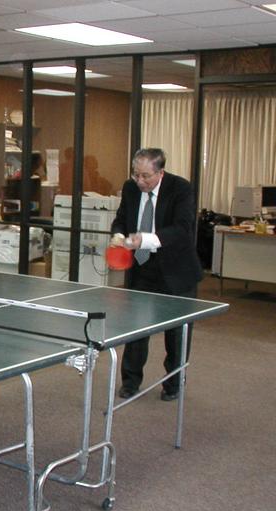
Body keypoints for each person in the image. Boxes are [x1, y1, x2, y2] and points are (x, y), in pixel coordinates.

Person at [109, 148, 203, 401]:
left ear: (160, 172)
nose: (139, 181)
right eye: (135, 174)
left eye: (146, 176)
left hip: (176, 271)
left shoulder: (181, 188)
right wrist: (118, 234)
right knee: (137, 330)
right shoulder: (130, 189)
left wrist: (146, 239)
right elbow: (121, 219)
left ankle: (173, 385)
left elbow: (183, 230)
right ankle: (130, 382)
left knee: (177, 334)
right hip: (143, 269)